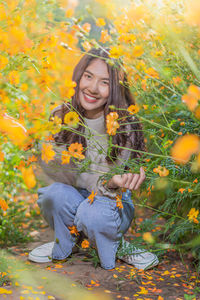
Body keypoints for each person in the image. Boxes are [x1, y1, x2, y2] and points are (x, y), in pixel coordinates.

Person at [28, 48, 159, 270]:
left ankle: (113, 242)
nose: (92, 88)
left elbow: (110, 186)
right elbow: (52, 175)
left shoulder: (125, 125)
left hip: (109, 203)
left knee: (94, 212)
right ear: (78, 77)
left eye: (105, 82)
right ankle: (73, 241)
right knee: (53, 195)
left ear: (115, 89)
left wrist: (114, 182)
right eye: (88, 76)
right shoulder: (60, 116)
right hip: (72, 197)